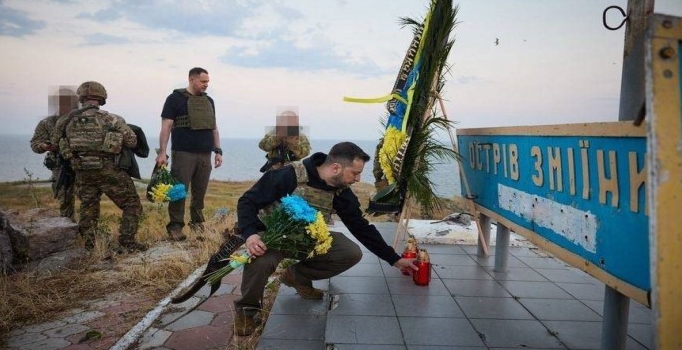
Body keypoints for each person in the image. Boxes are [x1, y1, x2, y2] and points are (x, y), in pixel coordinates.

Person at [233, 141, 418, 335]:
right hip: (272, 239)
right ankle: (247, 310)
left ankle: (297, 277)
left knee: (349, 252)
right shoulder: (289, 175)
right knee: (259, 261)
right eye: (354, 173)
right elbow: (247, 201)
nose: (357, 179)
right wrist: (251, 235)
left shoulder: (341, 192)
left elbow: (361, 228)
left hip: (309, 241)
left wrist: (394, 259)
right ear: (336, 167)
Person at [51, 81, 146, 252]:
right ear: (102, 98)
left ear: (81, 98)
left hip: (81, 171)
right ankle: (127, 242)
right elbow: (132, 141)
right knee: (132, 204)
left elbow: (55, 143)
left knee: (88, 207)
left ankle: (90, 246)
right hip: (108, 170)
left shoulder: (65, 120)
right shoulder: (110, 118)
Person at [156, 67, 223, 241]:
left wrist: (218, 150)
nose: (206, 85)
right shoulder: (174, 99)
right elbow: (166, 126)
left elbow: (214, 127)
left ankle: (198, 225)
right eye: (203, 81)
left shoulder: (209, 101)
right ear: (191, 79)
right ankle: (176, 227)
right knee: (179, 191)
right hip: (183, 153)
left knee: (199, 192)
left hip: (205, 154)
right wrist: (162, 152)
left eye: (207, 81)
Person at [30, 86, 78, 220]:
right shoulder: (47, 123)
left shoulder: (84, 120)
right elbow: (35, 144)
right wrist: (44, 146)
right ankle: (68, 229)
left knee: (89, 200)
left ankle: (89, 234)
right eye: (62, 102)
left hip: (83, 164)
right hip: (61, 166)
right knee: (64, 200)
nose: (66, 106)